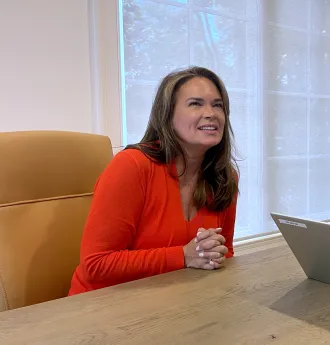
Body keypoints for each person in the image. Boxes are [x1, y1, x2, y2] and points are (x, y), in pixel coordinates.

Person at [69, 66, 239, 295]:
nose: (212, 113)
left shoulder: (224, 177)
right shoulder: (132, 166)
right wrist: (182, 256)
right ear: (167, 115)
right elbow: (96, 264)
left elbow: (225, 252)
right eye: (195, 103)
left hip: (172, 302)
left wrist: (212, 254)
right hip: (102, 307)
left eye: (218, 105)